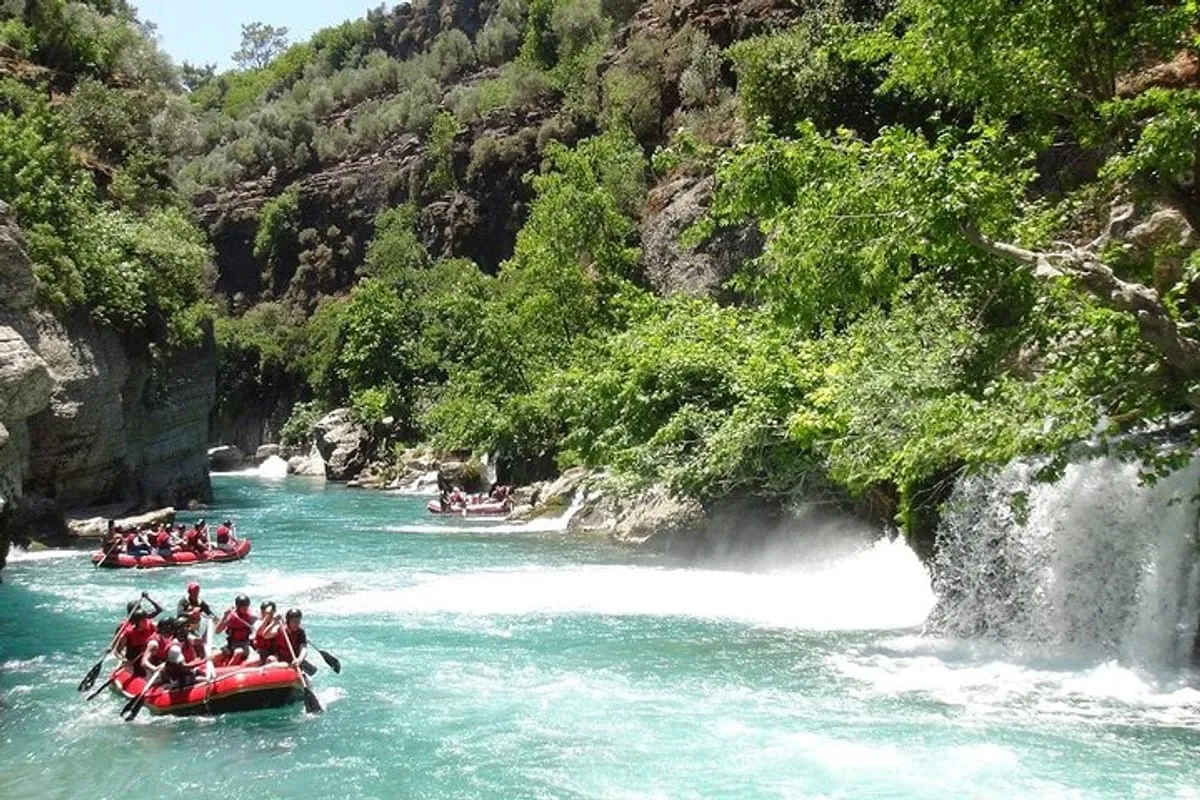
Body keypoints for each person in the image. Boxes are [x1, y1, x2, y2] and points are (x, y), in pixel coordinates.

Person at [215, 594, 256, 666]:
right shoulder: (231, 617)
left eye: (246, 606)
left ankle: (227, 671)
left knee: (238, 652)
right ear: (238, 607)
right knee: (215, 655)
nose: (245, 608)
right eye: (243, 607)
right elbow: (217, 631)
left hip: (244, 645)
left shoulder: (251, 617)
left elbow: (258, 626)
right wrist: (224, 616)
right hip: (231, 645)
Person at [250, 601, 281, 665]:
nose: (267, 615)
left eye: (270, 613)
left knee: (270, 659)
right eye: (264, 613)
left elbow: (267, 635)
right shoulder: (258, 623)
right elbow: (260, 633)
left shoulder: (278, 625)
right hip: (261, 652)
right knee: (251, 662)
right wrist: (267, 618)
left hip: (274, 653)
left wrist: (273, 622)